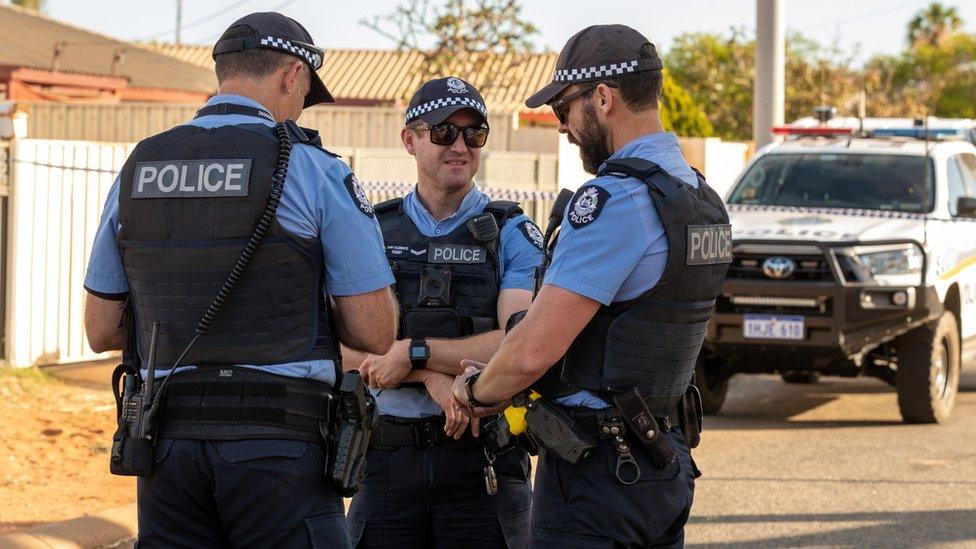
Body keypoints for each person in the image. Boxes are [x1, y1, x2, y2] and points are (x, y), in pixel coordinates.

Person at [83, 12, 397, 547]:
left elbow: (101, 328)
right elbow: (375, 332)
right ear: (291, 75)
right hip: (278, 450)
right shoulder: (310, 167)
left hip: (166, 449)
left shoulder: (140, 165)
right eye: (303, 92)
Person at [452, 25, 732, 548]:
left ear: (603, 98)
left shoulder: (613, 201)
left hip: (599, 475)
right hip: (662, 461)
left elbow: (535, 349)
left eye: (564, 109)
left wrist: (475, 391)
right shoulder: (699, 197)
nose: (563, 128)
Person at [343, 77, 541, 548]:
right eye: (444, 131)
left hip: (482, 457)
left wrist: (413, 352)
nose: (460, 145)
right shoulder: (371, 228)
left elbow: (519, 345)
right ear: (409, 139)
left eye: (474, 133)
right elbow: (342, 350)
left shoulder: (511, 230)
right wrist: (428, 376)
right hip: (386, 458)